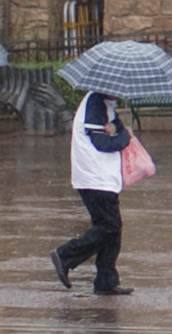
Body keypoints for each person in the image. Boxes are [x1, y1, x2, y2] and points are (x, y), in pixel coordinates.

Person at [51, 87, 138, 296]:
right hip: (94, 177)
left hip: (105, 177)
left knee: (112, 230)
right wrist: (125, 137)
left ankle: (106, 281)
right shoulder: (95, 103)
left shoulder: (106, 103)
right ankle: (65, 255)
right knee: (109, 226)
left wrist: (117, 127)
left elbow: (115, 126)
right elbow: (103, 143)